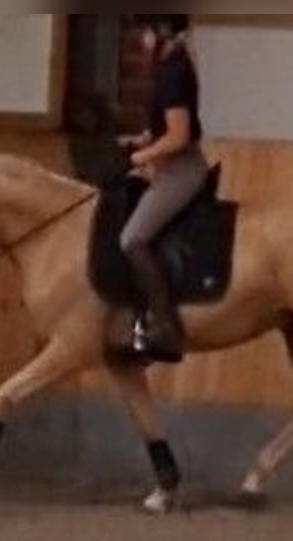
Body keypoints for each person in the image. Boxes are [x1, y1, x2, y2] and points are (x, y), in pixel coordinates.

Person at [118, 14, 208, 363]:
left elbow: (179, 136)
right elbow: (161, 130)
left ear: (162, 32)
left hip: (180, 171)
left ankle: (165, 328)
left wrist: (141, 155)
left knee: (133, 239)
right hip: (168, 165)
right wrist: (135, 141)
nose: (141, 41)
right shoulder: (170, 66)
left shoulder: (173, 73)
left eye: (144, 32)